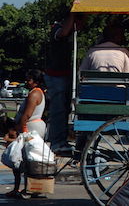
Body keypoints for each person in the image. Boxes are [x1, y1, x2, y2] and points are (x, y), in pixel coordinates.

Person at [45, 12, 84, 153]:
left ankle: (61, 140)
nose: (81, 27)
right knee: (58, 110)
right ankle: (57, 142)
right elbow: (63, 32)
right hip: (56, 76)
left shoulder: (69, 34)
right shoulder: (57, 29)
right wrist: (73, 14)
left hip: (64, 75)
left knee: (64, 109)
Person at [6, 69, 47, 200]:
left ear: (36, 81)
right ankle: (22, 188)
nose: (27, 82)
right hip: (32, 126)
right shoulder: (36, 92)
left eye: (29, 79)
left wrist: (18, 130)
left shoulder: (34, 94)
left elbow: (27, 115)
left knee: (22, 159)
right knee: (25, 159)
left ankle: (26, 188)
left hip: (30, 127)